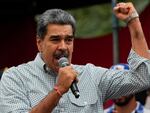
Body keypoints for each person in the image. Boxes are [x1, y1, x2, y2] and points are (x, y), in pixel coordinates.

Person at [0, 2, 150, 113]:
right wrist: (58, 91)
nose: (63, 46)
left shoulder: (92, 76)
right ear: (39, 43)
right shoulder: (15, 78)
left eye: (68, 40)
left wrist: (133, 22)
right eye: (55, 39)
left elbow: (142, 78)